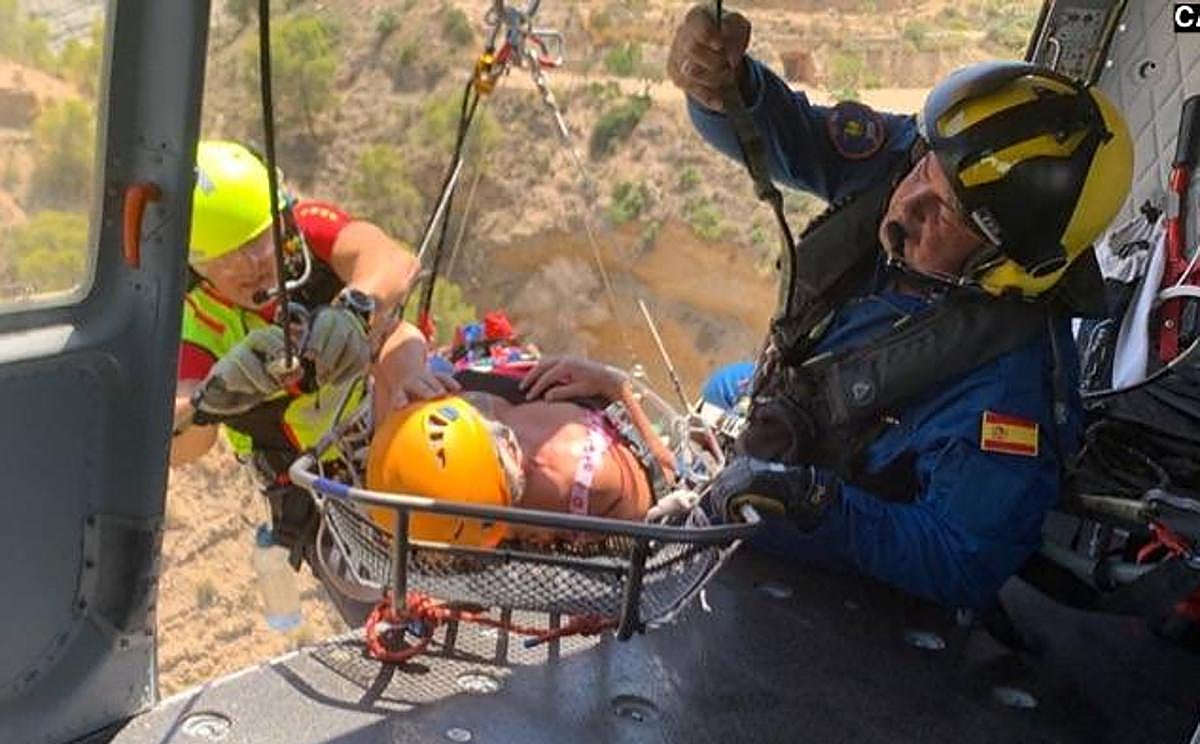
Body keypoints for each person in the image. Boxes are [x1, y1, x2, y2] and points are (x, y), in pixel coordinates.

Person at [667, 6, 1134, 609]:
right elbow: (794, 135)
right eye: (922, 170)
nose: (908, 204)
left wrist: (816, 503)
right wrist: (720, 88)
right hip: (788, 430)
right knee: (722, 388)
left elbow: (959, 558)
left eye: (947, 214)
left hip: (834, 526)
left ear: (1004, 265)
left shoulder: (1010, 393)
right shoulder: (926, 163)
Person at [172, 139, 420, 551]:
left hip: (385, 415)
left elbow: (394, 261)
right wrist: (203, 404)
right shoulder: (199, 324)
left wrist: (353, 311)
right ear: (197, 270)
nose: (253, 265)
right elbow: (185, 443)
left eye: (257, 242)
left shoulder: (305, 236)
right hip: (316, 489)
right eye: (228, 258)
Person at [365, 318, 679, 544]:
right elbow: (665, 484)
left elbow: (393, 333)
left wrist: (409, 375)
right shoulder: (577, 477)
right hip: (570, 408)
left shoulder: (409, 444)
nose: (512, 444)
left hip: (547, 392)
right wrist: (614, 387)